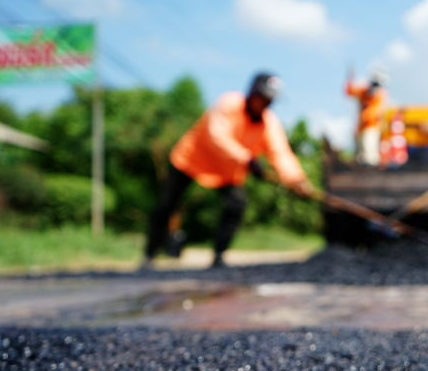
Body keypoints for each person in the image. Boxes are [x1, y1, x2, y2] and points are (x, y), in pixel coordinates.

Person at [142, 72, 315, 270]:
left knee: (237, 203)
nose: (265, 102)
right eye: (262, 97)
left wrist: (297, 180)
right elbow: (216, 137)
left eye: (269, 100)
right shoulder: (228, 103)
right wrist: (247, 159)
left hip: (225, 171)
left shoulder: (269, 123)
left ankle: (218, 256)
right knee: (166, 205)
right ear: (252, 92)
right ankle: (149, 255)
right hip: (191, 160)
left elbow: (281, 153)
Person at [346, 67, 388, 166]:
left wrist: (365, 116)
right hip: (361, 128)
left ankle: (371, 172)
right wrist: (350, 78)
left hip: (372, 127)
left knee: (370, 154)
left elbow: (375, 112)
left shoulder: (380, 95)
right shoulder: (363, 91)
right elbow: (349, 91)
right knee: (360, 154)